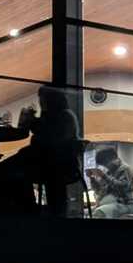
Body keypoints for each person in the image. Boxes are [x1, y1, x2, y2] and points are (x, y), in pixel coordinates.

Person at [5, 86, 83, 215]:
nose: (41, 103)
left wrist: (33, 123)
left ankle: (28, 210)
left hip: (56, 167)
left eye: (43, 99)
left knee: (12, 170)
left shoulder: (63, 117)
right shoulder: (63, 116)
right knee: (15, 169)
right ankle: (31, 210)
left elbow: (51, 141)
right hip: (56, 165)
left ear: (51, 100)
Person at [89, 147, 133, 218]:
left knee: (99, 213)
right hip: (109, 203)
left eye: (105, 164)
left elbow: (122, 188)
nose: (105, 166)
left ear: (113, 159)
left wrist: (104, 176)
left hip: (123, 204)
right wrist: (92, 178)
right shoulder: (109, 171)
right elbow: (99, 191)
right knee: (88, 212)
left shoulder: (125, 169)